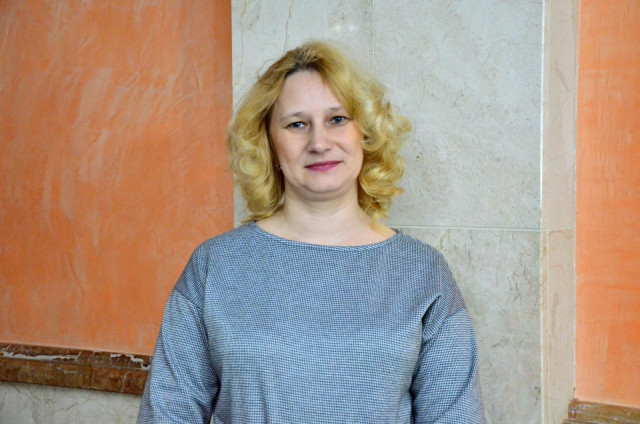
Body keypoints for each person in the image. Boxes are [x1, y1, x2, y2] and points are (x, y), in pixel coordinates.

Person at [137, 40, 485, 424]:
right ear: (269, 142)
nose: (319, 143)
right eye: (297, 124)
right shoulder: (214, 266)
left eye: (337, 119)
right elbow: (168, 414)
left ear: (366, 133)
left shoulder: (423, 272)